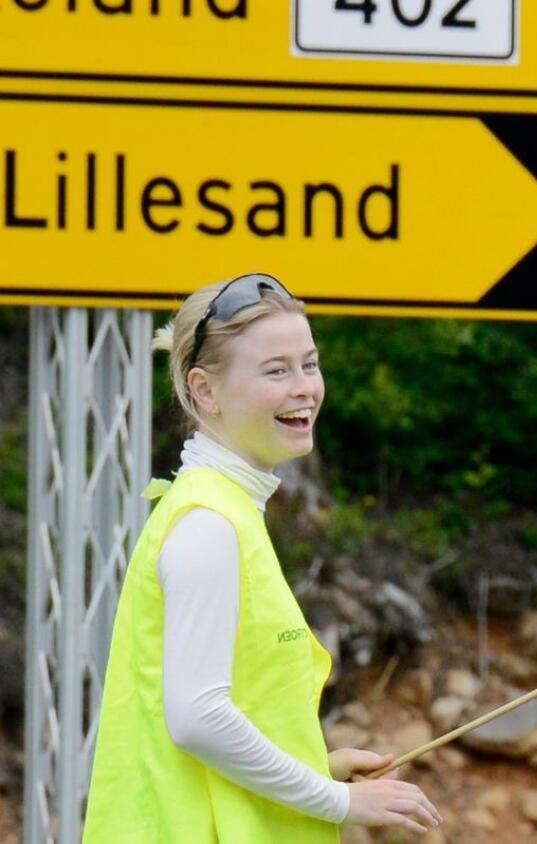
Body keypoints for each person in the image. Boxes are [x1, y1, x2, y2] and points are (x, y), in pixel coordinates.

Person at [83, 274, 442, 843]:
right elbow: (198, 719)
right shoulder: (208, 525)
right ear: (205, 392)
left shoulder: (225, 510)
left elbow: (219, 722)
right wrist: (336, 800)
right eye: (276, 370)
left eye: (310, 363)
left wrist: (311, 766)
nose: (305, 387)